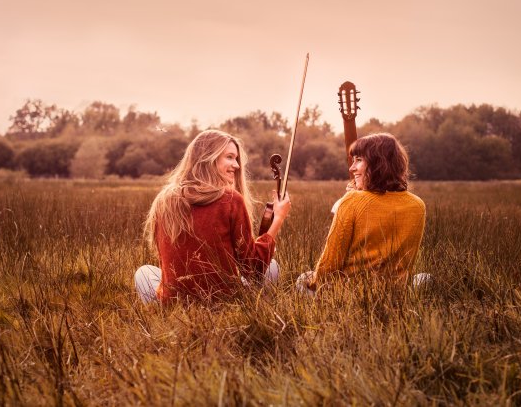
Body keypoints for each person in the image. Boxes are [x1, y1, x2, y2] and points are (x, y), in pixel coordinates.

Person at [135, 129, 292, 303]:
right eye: (230, 157)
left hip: (174, 302)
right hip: (223, 302)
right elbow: (253, 268)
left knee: (144, 273)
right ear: (209, 158)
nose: (237, 165)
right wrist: (278, 219)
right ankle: (261, 305)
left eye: (236, 159)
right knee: (272, 267)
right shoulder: (231, 200)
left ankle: (163, 309)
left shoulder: (163, 200)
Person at [297, 132, 426, 294]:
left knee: (303, 278)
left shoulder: (352, 201)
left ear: (378, 163)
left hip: (350, 296)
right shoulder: (418, 205)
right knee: (423, 278)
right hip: (395, 293)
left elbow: (330, 265)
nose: (352, 168)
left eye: (359, 160)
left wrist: (313, 283)